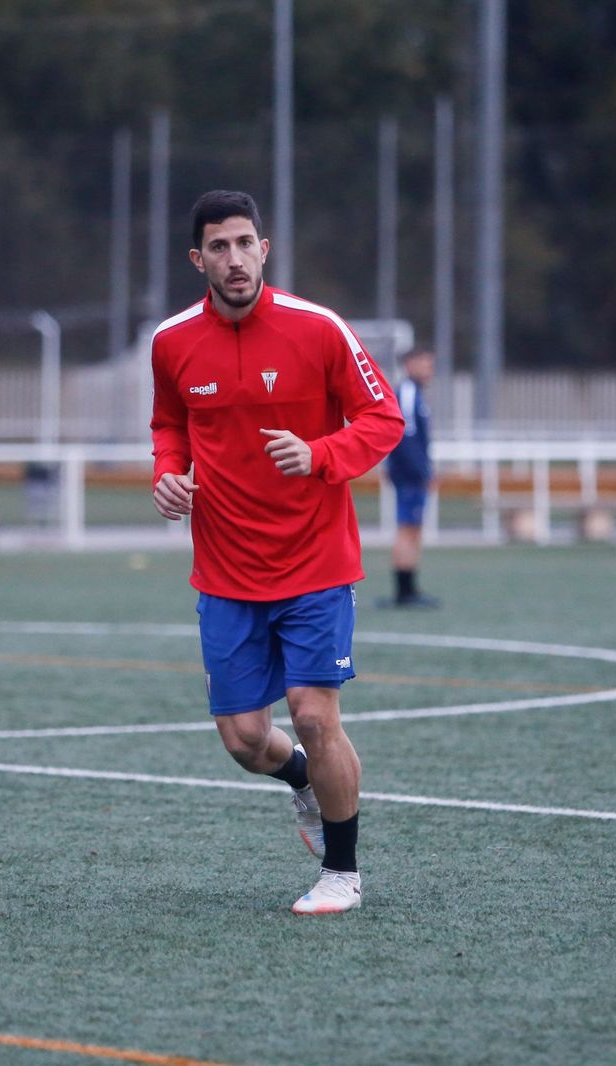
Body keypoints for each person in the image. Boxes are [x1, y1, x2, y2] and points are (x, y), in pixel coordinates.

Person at [150, 190, 404, 915]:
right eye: (219, 247)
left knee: (316, 714)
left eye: (245, 243)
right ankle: (300, 778)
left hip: (316, 563)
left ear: (266, 249)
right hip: (226, 571)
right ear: (199, 259)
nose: (235, 259)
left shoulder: (318, 328)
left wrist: (321, 453)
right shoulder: (172, 342)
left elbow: (382, 418)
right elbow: (169, 423)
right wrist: (167, 472)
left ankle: (342, 872)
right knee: (243, 738)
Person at [379, 347, 441, 608]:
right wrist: (420, 472)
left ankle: (410, 588)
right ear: (410, 364)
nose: (429, 370)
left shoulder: (415, 394)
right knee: (406, 529)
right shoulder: (405, 393)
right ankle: (403, 592)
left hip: (414, 473)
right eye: (425, 364)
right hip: (409, 475)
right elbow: (403, 436)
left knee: (413, 529)